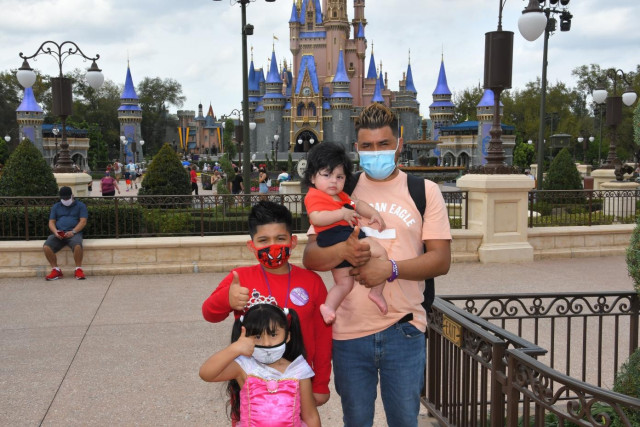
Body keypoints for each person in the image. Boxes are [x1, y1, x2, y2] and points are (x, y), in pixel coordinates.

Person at [303, 103, 452, 427]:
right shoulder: (341, 190)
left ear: (398, 142)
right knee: (356, 421)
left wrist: (390, 269)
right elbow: (310, 257)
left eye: (383, 144)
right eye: (368, 146)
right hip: (349, 333)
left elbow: (441, 260)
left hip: (404, 329)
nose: (376, 152)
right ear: (357, 148)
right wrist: (346, 249)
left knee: (403, 421)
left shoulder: (424, 191)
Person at [202, 201, 332, 406]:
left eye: (280, 238)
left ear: (293, 241)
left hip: (298, 384)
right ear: (251, 245)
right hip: (251, 388)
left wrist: (321, 384)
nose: (273, 245)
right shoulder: (240, 278)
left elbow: (323, 337)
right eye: (263, 240)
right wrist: (227, 298)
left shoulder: (312, 281)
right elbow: (210, 314)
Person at [303, 142, 388, 324]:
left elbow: (359, 204)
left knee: (344, 283)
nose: (333, 180)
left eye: (339, 176)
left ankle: (329, 307)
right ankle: (376, 292)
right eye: (327, 175)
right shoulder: (314, 196)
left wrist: (373, 213)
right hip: (337, 235)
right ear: (312, 177)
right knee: (381, 253)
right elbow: (316, 218)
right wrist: (341, 213)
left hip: (338, 237)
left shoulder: (342, 196)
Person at [199, 302, 320, 427]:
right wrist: (235, 348)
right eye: (257, 336)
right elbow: (206, 374)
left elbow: (310, 416)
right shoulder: (244, 367)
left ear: (288, 336)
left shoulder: (298, 370)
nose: (267, 343)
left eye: (273, 335)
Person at [43, 186, 89, 281]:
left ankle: (78, 269)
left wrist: (73, 231)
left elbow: (83, 221)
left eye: (67, 198)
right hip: (59, 233)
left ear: (72, 195)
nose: (65, 200)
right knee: (47, 247)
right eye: (63, 198)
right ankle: (56, 270)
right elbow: (51, 222)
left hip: (74, 233)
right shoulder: (56, 206)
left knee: (77, 245)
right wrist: (55, 232)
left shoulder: (80, 205)